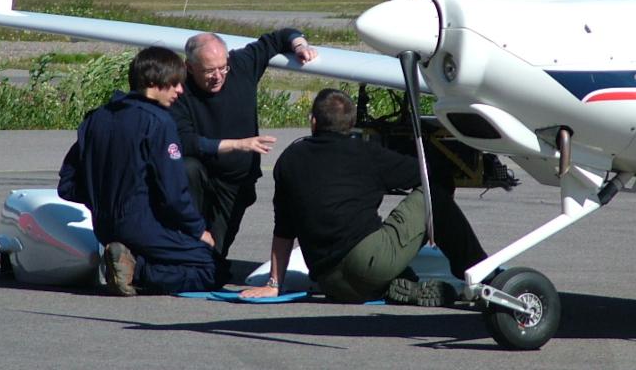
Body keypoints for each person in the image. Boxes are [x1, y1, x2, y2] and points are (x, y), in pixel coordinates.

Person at [240, 88, 487, 305]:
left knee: (372, 263)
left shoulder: (289, 159)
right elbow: (428, 174)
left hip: (329, 282)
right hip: (369, 263)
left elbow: (283, 229)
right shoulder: (366, 153)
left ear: (313, 122)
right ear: (351, 124)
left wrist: (273, 284)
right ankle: (482, 275)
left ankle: (398, 283)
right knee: (434, 195)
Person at [58, 46, 226, 296]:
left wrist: (101, 199)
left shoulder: (96, 119)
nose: (180, 90)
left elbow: (68, 185)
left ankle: (127, 260)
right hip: (141, 225)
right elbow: (173, 194)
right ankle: (137, 270)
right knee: (213, 268)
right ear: (153, 81)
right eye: (174, 83)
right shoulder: (158, 122)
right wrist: (198, 230)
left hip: (104, 226)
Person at [170, 30, 318, 261]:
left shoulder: (241, 65)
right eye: (209, 70)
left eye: (222, 67)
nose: (218, 76)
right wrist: (237, 145)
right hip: (197, 180)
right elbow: (185, 142)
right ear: (189, 67)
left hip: (235, 184)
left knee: (212, 260)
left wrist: (299, 45)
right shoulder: (179, 90)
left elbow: (278, 37)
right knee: (187, 169)